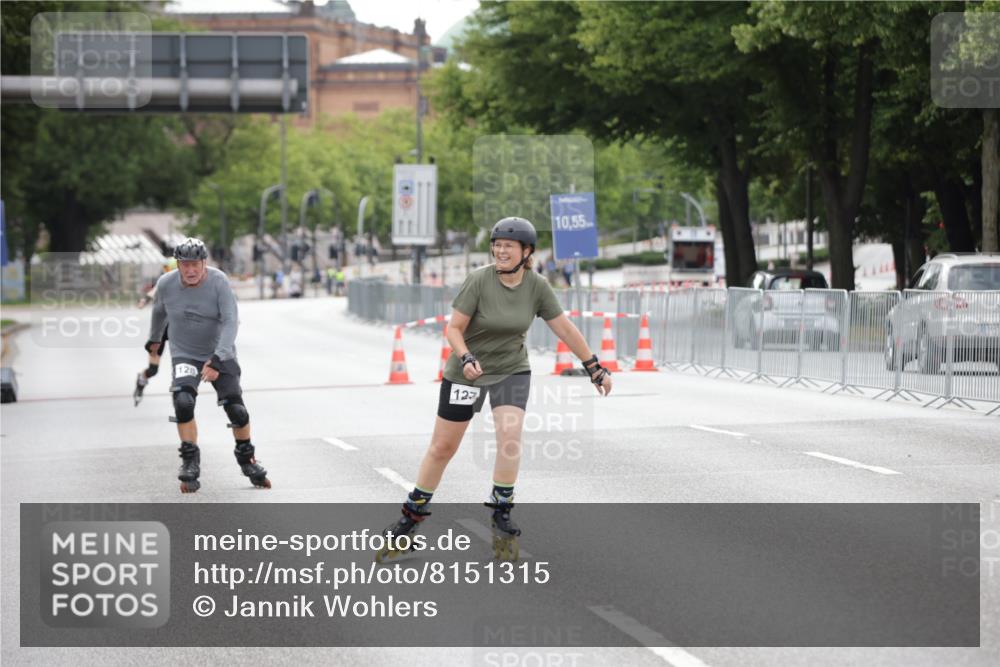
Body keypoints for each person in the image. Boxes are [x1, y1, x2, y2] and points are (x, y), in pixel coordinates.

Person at [375, 217, 612, 562]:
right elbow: (453, 328)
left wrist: (594, 366)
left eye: (508, 246)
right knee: (443, 447)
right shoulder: (478, 281)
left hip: (510, 370)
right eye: (496, 244)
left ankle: (501, 513)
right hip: (466, 372)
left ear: (526, 252)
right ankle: (408, 521)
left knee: (510, 435)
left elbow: (564, 329)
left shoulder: (537, 287)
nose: (500, 251)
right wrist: (466, 356)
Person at [146, 237, 271, 493]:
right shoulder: (166, 284)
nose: (190, 270)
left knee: (236, 410)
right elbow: (159, 311)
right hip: (185, 354)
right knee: (183, 402)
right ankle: (190, 460)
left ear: (204, 263)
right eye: (185, 265)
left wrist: (217, 359)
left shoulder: (218, 282)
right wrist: (154, 339)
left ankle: (247, 458)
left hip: (219, 352)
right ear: (178, 265)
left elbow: (230, 321)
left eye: (195, 264)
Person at [133, 258, 177, 406]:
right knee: (153, 370)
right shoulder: (164, 283)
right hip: (160, 331)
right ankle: (142, 379)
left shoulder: (189, 284)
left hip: (179, 329)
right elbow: (152, 292)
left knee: (181, 363)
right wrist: (144, 301)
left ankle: (180, 392)